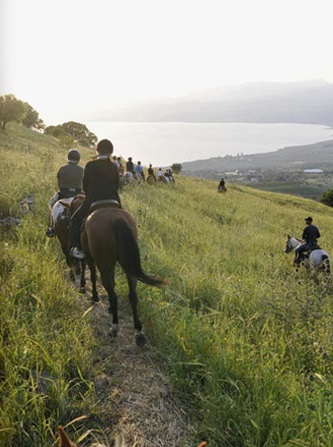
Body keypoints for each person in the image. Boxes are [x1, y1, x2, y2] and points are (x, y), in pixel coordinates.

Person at [69, 139, 121, 259]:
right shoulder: (114, 166)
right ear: (111, 151)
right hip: (113, 200)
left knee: (75, 220)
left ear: (97, 150)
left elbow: (85, 186)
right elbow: (116, 186)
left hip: (93, 200)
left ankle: (78, 248)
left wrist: (90, 195)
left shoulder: (90, 165)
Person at [46, 149, 84, 238]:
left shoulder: (62, 169)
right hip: (78, 194)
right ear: (78, 159)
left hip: (64, 193)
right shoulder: (82, 170)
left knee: (51, 203)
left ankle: (51, 227)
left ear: (68, 158)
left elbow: (59, 184)